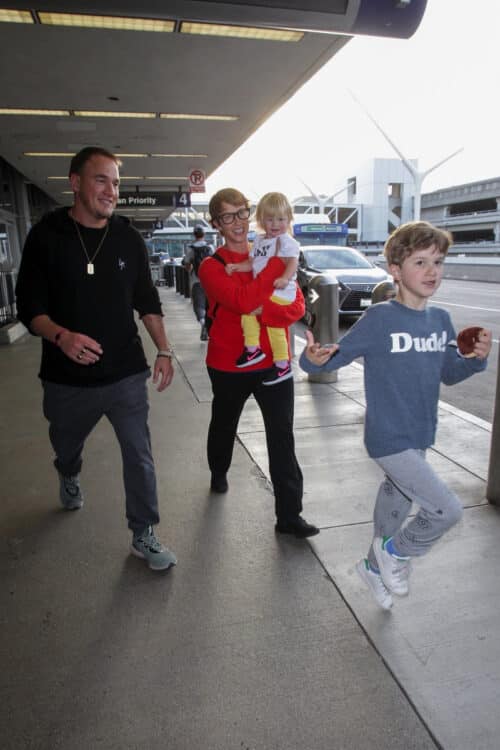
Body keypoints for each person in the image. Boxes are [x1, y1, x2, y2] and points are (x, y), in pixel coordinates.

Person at [300, 220, 492, 608]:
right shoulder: (381, 319)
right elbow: (327, 360)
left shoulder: (439, 321)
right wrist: (311, 357)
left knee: (397, 499)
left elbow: (449, 374)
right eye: (420, 262)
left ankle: (373, 567)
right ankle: (395, 554)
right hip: (389, 437)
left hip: (421, 435)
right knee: (446, 510)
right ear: (395, 269)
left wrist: (473, 360)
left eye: (437, 262)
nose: (431, 271)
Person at [15, 146, 177, 572]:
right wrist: (61, 336)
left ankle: (143, 531)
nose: (111, 190)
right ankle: (68, 471)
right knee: (65, 442)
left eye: (116, 182)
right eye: (101, 180)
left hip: (125, 372)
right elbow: (28, 307)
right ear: (75, 183)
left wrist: (163, 348)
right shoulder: (46, 237)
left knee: (139, 453)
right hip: (66, 379)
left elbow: (146, 299)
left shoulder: (127, 238)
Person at [198, 187, 318, 538]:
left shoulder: (274, 247)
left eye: (241, 213)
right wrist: (271, 278)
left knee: (282, 437)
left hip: (274, 363)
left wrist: (267, 308)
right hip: (228, 364)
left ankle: (289, 515)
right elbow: (240, 300)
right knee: (224, 424)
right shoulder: (212, 266)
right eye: (227, 216)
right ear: (216, 223)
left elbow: (297, 306)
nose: (236, 222)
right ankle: (218, 470)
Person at [224, 192, 299, 385]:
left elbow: (293, 261)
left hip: (282, 292)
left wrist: (284, 277)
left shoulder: (285, 240)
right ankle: (252, 349)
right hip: (268, 291)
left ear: (289, 219)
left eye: (281, 219)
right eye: (270, 219)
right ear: (261, 220)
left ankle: (283, 365)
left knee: (275, 327)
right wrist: (238, 267)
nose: (276, 224)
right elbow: (252, 262)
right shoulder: (258, 240)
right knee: (247, 313)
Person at [182, 225, 214, 341]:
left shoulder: (190, 248)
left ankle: (203, 323)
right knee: (210, 306)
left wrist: (191, 269)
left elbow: (187, 265)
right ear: (204, 234)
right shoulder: (210, 247)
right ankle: (209, 327)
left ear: (194, 235)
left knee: (198, 306)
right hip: (210, 282)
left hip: (197, 281)